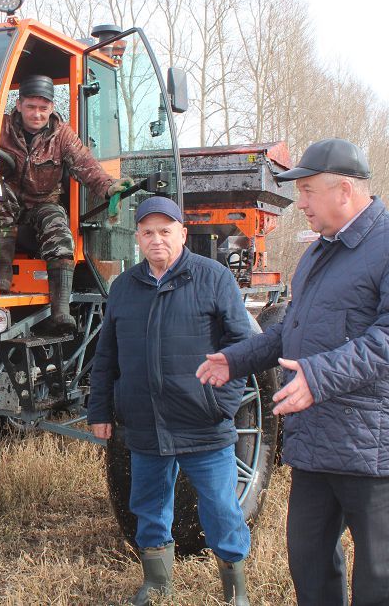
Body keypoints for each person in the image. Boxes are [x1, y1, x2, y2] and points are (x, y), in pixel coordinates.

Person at [196, 138, 389, 606]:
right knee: (308, 558)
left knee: (379, 572)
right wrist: (237, 358)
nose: (299, 203)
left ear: (343, 190)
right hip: (314, 443)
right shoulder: (315, 257)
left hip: (370, 444)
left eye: (307, 191)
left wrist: (319, 376)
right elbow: (291, 328)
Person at [88, 196, 254, 606]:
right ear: (138, 239)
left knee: (220, 507)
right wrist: (101, 410)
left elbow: (244, 347)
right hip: (145, 423)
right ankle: (157, 583)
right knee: (148, 506)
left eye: (166, 231)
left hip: (204, 423)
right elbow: (106, 355)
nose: (156, 239)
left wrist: (221, 403)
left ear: (182, 233)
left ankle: (235, 589)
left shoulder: (213, 277)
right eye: (148, 232)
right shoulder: (124, 288)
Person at [0, 74, 130, 332]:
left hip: (43, 203)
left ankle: (60, 309)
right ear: (19, 105)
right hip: (8, 203)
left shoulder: (63, 136)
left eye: (43, 108)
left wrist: (109, 186)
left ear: (51, 109)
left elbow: (87, 167)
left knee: (58, 227)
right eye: (31, 107)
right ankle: (1, 280)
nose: (37, 114)